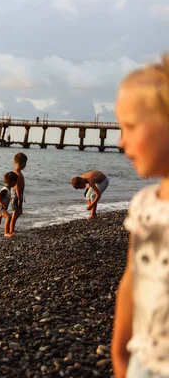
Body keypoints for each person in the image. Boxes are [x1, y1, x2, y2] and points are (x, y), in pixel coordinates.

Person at [111, 54, 169, 378]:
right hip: (142, 361)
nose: (121, 140)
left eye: (130, 126)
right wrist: (119, 352)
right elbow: (132, 278)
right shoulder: (144, 204)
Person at [0, 171, 18, 239]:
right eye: (16, 181)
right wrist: (4, 205)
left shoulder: (7, 189)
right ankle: (6, 232)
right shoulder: (5, 190)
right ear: (14, 182)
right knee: (9, 217)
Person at [9, 152, 28, 234]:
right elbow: (17, 187)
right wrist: (20, 198)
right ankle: (11, 229)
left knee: (19, 212)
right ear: (23, 164)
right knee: (16, 212)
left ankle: (12, 228)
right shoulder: (18, 174)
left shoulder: (16, 172)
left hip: (17, 195)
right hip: (16, 195)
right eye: (25, 164)